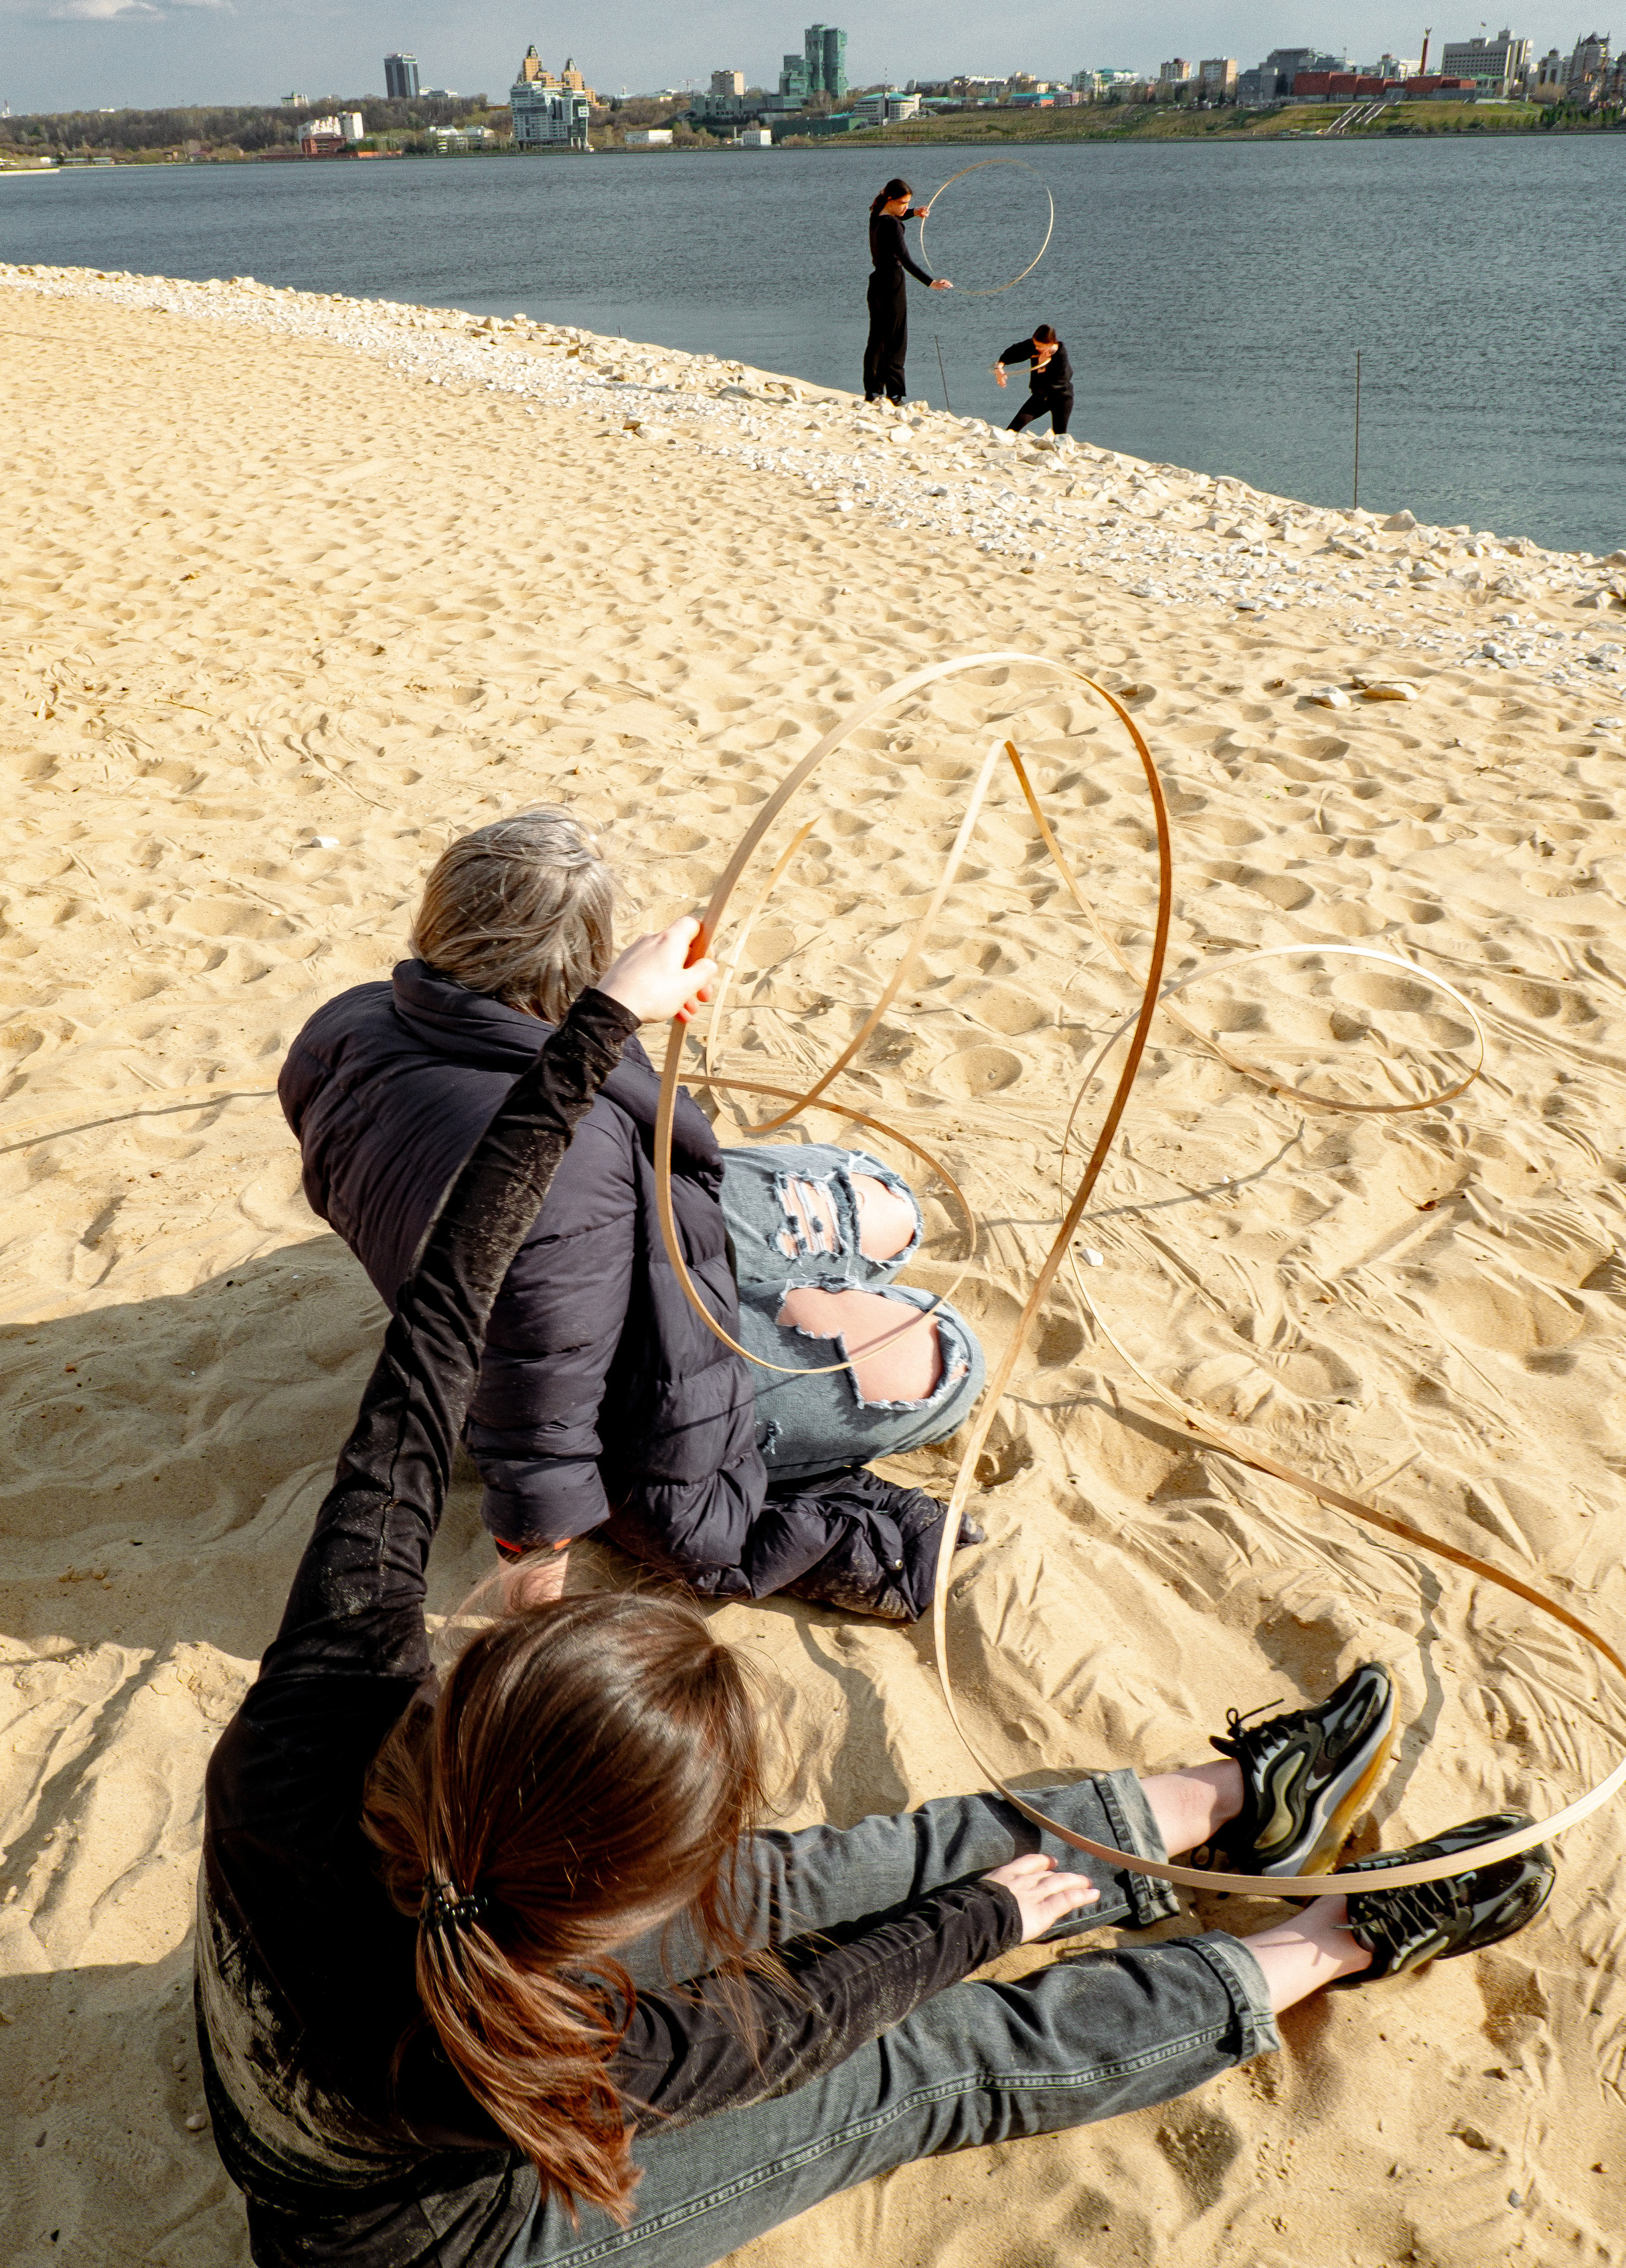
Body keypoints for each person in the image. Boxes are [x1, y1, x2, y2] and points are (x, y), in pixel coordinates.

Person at [200, 919, 1557, 2268]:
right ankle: (1331, 1941)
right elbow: (809, 2028)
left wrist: (596, 1028)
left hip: (407, 1987)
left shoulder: (314, 1704)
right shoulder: (535, 2046)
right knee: (917, 2072)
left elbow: (447, 1308)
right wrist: (988, 1919)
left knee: (805, 1882)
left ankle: (1228, 1807)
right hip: (449, 2238)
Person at [278, 808, 987, 1623]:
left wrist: (611, 1017)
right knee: (946, 1356)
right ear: (585, 953)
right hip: (615, 1396)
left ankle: (777, 1299)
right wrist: (535, 1616)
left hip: (600, 1240)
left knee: (881, 1201)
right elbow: (537, 1422)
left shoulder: (348, 1019)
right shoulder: (558, 1167)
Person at [864, 178, 952, 404]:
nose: (906, 207)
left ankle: (873, 391)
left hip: (877, 281)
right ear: (891, 200)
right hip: (893, 282)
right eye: (903, 203)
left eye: (908, 203)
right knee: (896, 339)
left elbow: (895, 216)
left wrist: (914, 212)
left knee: (877, 337)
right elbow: (905, 259)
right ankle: (894, 393)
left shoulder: (876, 215)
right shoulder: (893, 225)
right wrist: (931, 282)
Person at [995, 323, 1074, 434]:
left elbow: (1058, 383)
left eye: (1040, 346)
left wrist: (1041, 367)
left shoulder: (1061, 355)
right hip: (1040, 396)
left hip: (1061, 398)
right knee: (1012, 430)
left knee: (1060, 436)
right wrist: (999, 366)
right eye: (1035, 344)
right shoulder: (1034, 347)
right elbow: (1013, 352)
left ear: (1050, 344)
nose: (1036, 348)